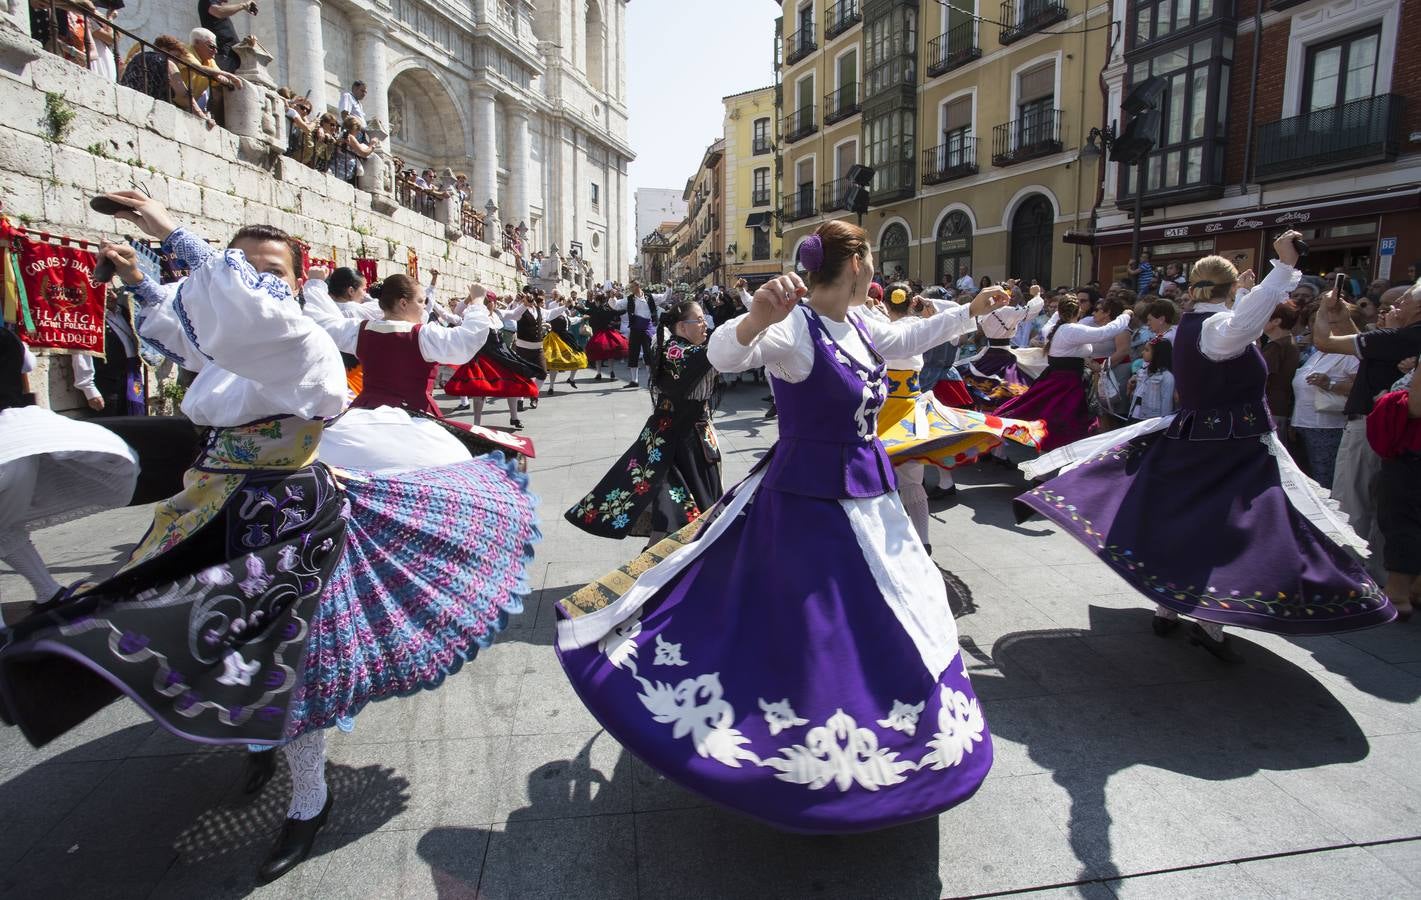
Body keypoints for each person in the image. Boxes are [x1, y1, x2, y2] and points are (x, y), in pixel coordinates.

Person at [0, 192, 539, 885]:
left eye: (271, 269)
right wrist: (140, 279)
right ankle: (250, 739)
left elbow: (245, 318)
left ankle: (306, 800)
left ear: (292, 282)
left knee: (291, 658)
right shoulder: (231, 343)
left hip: (283, 516)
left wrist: (174, 234)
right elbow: (187, 324)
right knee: (168, 630)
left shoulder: (303, 341)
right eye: (244, 264)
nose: (254, 278)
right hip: (208, 505)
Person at [554, 220, 1002, 833]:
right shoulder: (794, 326)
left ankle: (890, 736)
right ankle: (797, 755)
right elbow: (721, 356)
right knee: (809, 629)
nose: (876, 269)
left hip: (870, 494)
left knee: (900, 604)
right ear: (856, 264)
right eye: (871, 256)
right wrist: (754, 319)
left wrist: (971, 311)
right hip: (806, 499)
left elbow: (911, 335)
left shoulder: (866, 322)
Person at [1018, 232, 1393, 662]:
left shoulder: (1194, 325)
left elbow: (1239, 325)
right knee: (1226, 530)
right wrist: (1283, 270)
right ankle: (1206, 618)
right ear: (1228, 290)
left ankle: (1169, 608)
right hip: (1226, 449)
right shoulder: (1219, 329)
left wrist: (1251, 290)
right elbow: (1242, 326)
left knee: (1187, 524)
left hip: (1204, 440)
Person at [873, 284, 1045, 548]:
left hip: (884, 410)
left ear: (886, 304)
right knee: (912, 478)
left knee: (876, 475)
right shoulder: (922, 327)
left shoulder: (881, 329)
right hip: (912, 408)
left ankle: (882, 538)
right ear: (912, 303)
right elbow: (954, 313)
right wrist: (930, 305)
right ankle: (923, 542)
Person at [566, 298, 722, 546]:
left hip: (675, 436)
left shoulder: (671, 345)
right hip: (681, 440)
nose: (706, 325)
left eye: (705, 319)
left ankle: (665, 557)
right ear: (682, 327)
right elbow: (720, 353)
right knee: (679, 506)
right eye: (700, 320)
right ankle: (662, 562)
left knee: (675, 503)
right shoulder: (679, 351)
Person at [0, 326, 139, 605]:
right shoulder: (8, 338)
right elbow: (27, 362)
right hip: (19, 441)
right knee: (6, 528)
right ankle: (48, 591)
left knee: (5, 528)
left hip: (10, 443)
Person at [1312, 279, 1421, 569]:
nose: (1390, 311)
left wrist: (1323, 311)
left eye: (1397, 304)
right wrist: (1342, 316)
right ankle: (1380, 577)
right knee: (1383, 510)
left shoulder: (1403, 337)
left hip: (1371, 428)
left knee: (1351, 504)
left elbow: (1324, 342)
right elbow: (1364, 346)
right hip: (1394, 433)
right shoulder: (1393, 341)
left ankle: (1348, 576)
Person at [993, 295, 1133, 452]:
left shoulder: (1054, 329)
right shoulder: (1072, 330)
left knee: (1051, 420)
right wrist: (1125, 316)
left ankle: (1052, 461)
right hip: (1067, 384)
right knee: (1062, 423)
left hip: (1062, 380)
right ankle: (1055, 462)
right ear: (1078, 312)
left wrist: (1059, 309)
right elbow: (1105, 332)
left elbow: (1051, 321)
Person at [444, 289, 541, 430]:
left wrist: (525, 305)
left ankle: (514, 417)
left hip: (502, 355)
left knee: (512, 385)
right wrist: (469, 298)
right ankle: (477, 423)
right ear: (487, 303)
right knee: (480, 390)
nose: (494, 305)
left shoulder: (496, 314)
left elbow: (513, 314)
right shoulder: (473, 314)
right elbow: (457, 312)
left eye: (493, 302)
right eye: (491, 302)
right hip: (484, 356)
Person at [1290, 335, 1358, 489]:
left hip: (1327, 427)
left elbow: (1359, 387)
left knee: (1324, 480)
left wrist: (1330, 384)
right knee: (1306, 479)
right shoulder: (1317, 354)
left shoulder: (1348, 356)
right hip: (1302, 424)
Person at [71, 292, 147, 417]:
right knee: (112, 424)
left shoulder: (124, 312)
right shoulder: (89, 317)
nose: (113, 296)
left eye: (113, 292)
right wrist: (90, 390)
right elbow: (82, 354)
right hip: (108, 384)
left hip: (131, 378)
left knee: (135, 422)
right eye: (106, 292)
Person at [613, 280, 663, 389]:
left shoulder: (650, 297)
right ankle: (634, 380)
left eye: (632, 287)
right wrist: (612, 297)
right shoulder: (629, 299)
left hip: (647, 329)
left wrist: (669, 288)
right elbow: (616, 305)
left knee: (648, 353)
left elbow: (663, 297)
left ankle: (651, 379)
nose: (630, 289)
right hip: (635, 328)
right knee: (633, 353)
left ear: (637, 286)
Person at [1261, 301, 1301, 436]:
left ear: (1276, 321)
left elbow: (1262, 378)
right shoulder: (1287, 343)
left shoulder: (1278, 347)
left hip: (1271, 409)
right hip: (1277, 409)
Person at [1126, 338, 1175, 421]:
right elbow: (1136, 396)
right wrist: (1131, 388)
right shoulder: (1142, 372)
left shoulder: (1167, 377)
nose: (1142, 352)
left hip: (1152, 419)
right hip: (1135, 416)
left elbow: (1166, 402)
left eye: (1147, 350)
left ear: (1157, 354)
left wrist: (1162, 423)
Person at [197, 0, 252, 73]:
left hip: (231, 55)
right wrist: (243, 5)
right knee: (227, 81)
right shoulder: (207, 1)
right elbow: (219, 12)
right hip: (223, 54)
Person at [543, 305, 588, 393]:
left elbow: (574, 320)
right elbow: (544, 320)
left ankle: (570, 379)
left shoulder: (565, 316)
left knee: (577, 358)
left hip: (565, 338)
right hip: (554, 339)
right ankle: (551, 387)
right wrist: (546, 326)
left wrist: (582, 318)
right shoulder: (552, 315)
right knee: (554, 362)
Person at [584, 292, 629, 380]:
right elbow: (617, 313)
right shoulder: (607, 309)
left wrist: (574, 306)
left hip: (598, 334)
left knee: (598, 354)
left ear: (597, 301)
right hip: (609, 333)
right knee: (610, 354)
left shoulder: (594, 309)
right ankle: (611, 371)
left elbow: (584, 311)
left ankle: (599, 373)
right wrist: (627, 309)